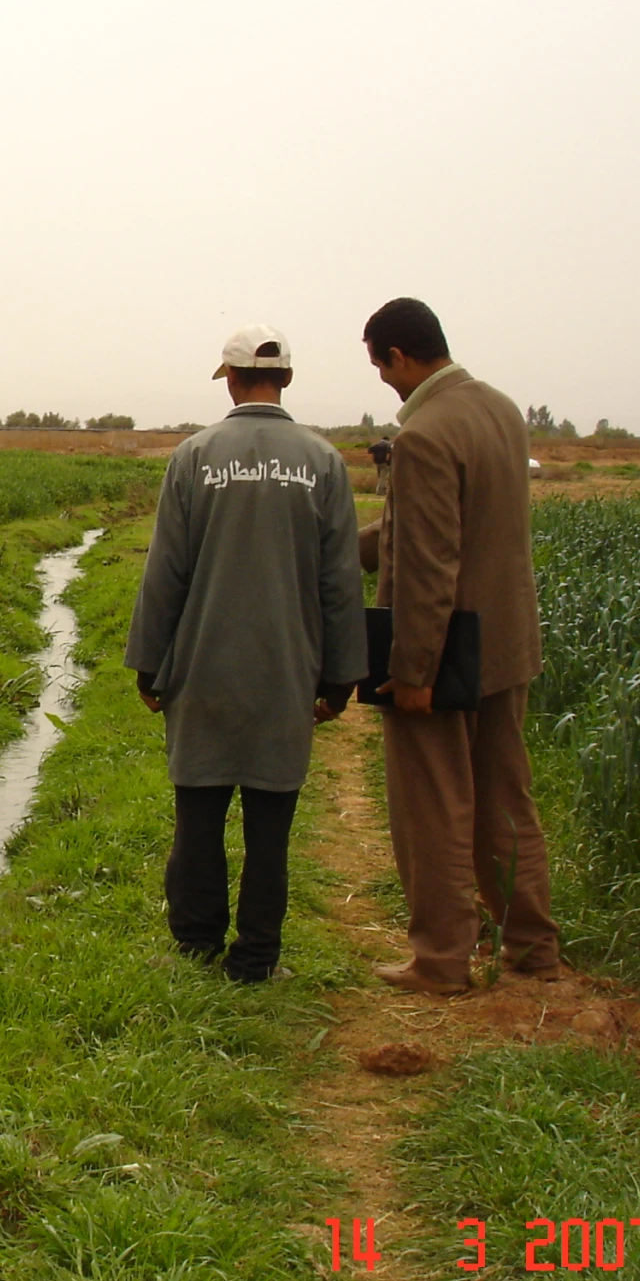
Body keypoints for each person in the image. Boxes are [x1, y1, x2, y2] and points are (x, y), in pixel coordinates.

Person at [125, 325, 369, 983]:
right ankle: (257, 958)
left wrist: (149, 662)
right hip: (287, 673)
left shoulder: (195, 457)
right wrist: (342, 675)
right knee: (270, 827)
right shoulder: (324, 463)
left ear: (230, 379)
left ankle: (196, 945)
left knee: (198, 816)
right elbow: (340, 580)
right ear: (285, 380)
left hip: (202, 667)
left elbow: (165, 572)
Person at [358, 297, 561, 995]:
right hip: (506, 642)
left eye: (380, 366)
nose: (384, 381)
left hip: (446, 653)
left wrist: (412, 670)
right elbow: (436, 530)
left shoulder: (423, 436)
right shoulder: (501, 410)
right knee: (507, 801)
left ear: (399, 356)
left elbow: (428, 561)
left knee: (435, 807)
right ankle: (533, 947)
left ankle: (441, 960)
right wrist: (340, 551)